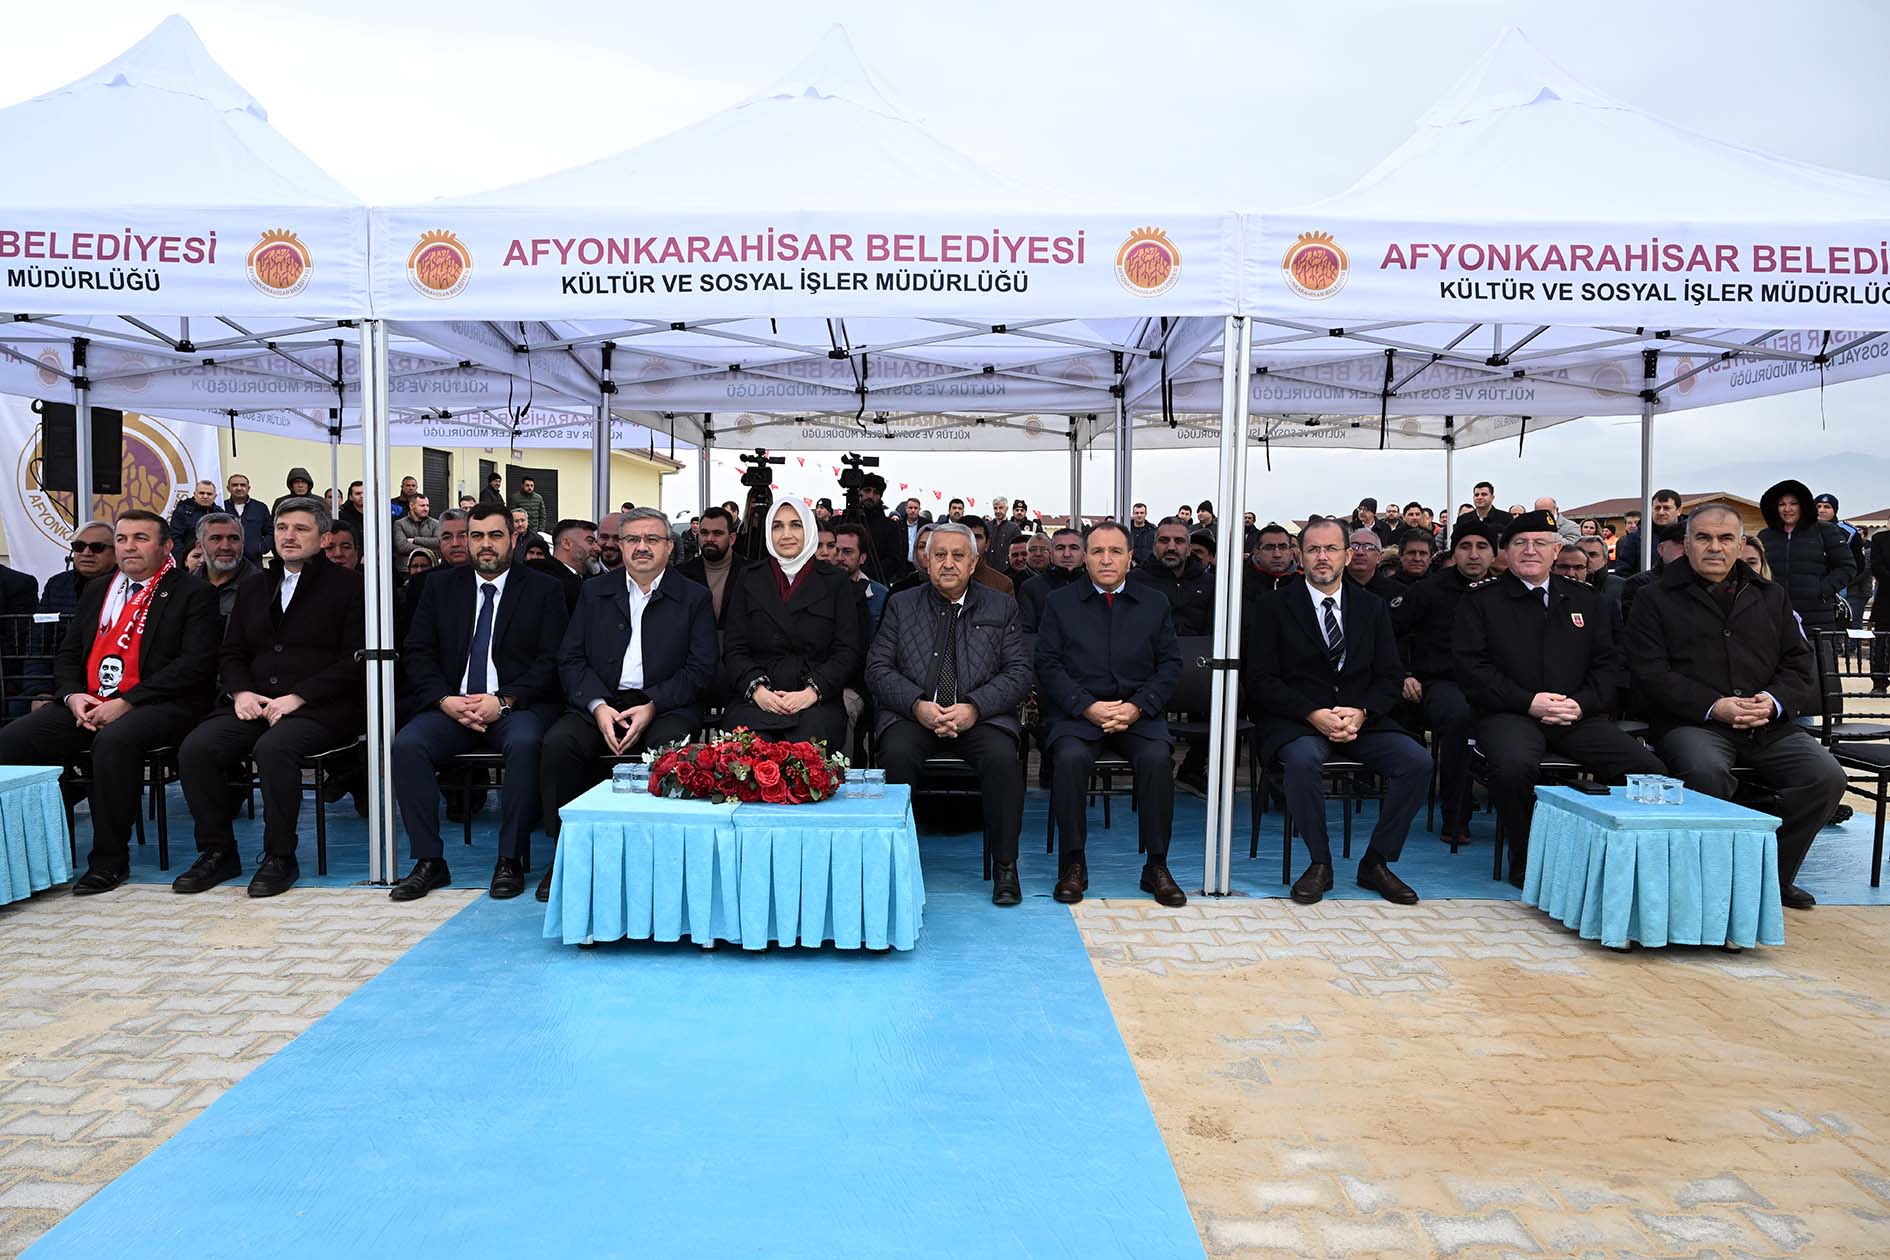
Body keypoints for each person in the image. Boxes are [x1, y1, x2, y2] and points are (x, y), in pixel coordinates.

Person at [1626, 503, 1845, 912]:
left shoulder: (1770, 596)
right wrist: (1714, 706)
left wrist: (1774, 702)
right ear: (1686, 544)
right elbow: (1649, 673)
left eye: (1726, 538)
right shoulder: (1653, 598)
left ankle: (1769, 877)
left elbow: (1798, 663)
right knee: (1705, 772)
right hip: (1693, 724)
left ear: (1740, 543)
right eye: (1704, 538)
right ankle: (1708, 884)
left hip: (1767, 724)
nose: (1715, 547)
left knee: (1825, 776)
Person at [0, 510, 219, 895]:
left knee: (113, 742)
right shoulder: (99, 589)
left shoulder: (192, 592)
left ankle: (108, 861)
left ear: (165, 546)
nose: (128, 546)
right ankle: (28, 858)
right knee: (12, 741)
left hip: (161, 703)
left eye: (140, 538)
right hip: (89, 701)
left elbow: (194, 664)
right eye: (121, 539)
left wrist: (127, 702)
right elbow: (68, 654)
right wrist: (71, 696)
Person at [1454, 510, 1665, 886]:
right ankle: (1528, 857)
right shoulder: (1481, 601)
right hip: (1511, 714)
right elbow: (1473, 670)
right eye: (1520, 543)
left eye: (1540, 543)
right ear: (1506, 552)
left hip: (1576, 715)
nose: (1529, 550)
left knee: (1647, 772)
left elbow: (1609, 665)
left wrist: (1581, 704)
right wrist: (1528, 702)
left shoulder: (1590, 601)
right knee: (1513, 768)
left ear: (1556, 552)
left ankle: (1613, 858)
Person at [175, 498, 365, 898]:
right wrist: (241, 692)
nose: (289, 536)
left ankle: (280, 856)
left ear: (325, 537)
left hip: (322, 709)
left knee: (275, 749)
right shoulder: (255, 585)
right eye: (282, 528)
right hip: (254, 702)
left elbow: (355, 658)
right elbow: (232, 651)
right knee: (198, 748)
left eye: (301, 529)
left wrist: (299, 697)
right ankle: (217, 851)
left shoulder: (353, 587)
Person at [390, 504, 569, 902]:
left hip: (513, 707)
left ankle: (511, 859)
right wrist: (443, 700)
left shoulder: (543, 589)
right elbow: (418, 651)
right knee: (407, 744)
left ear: (514, 538)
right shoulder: (440, 587)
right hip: (451, 706)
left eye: (495, 535)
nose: (485, 545)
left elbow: (551, 660)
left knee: (525, 745)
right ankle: (429, 861)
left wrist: (503, 701)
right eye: (477, 536)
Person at [1251, 514, 1432, 906]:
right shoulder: (1271, 607)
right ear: (1300, 555)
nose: (1322, 557)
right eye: (1313, 549)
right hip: (1298, 721)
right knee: (1300, 762)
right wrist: (1312, 713)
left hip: (1361, 721)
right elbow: (1261, 679)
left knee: (1417, 762)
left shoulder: (1372, 607)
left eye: (1331, 549)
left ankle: (1377, 862)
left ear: (1348, 556)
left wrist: (1363, 711)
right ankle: (1320, 863)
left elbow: (1389, 675)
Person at [538, 508, 718, 899]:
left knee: (670, 753)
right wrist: (597, 706)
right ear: (619, 546)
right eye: (633, 539)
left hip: (666, 704)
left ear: (670, 548)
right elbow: (569, 659)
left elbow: (701, 668)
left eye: (652, 539)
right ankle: (567, 855)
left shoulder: (694, 598)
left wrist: (653, 703)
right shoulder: (593, 592)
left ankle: (657, 862)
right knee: (558, 745)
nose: (642, 547)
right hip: (601, 700)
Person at [867, 523, 1032, 905]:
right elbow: (877, 668)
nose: (948, 563)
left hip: (980, 716)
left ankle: (1005, 865)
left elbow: (1020, 672)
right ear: (925, 560)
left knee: (1003, 760)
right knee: (895, 756)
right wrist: (916, 705)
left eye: (959, 556)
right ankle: (894, 865)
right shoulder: (901, 603)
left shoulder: (1001, 605)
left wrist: (975, 706)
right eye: (939, 555)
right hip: (914, 716)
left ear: (974, 562)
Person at [1034, 521, 1186, 908]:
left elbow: (1170, 665)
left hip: (1139, 713)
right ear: (1085, 557)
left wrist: (1137, 707)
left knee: (1156, 759)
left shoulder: (1154, 603)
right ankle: (1073, 863)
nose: (1106, 559)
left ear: (1131, 558)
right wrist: (1086, 706)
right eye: (1097, 551)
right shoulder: (1061, 602)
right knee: (1067, 759)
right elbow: (1047, 664)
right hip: (1078, 714)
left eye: (1115, 551)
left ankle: (1156, 865)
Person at [718, 498, 862, 748]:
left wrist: (810, 693)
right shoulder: (749, 578)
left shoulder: (835, 582)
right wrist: (758, 691)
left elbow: (847, 650)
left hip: (816, 701)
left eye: (795, 525)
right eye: (777, 526)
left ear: (809, 530)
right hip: (756, 700)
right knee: (749, 757)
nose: (786, 534)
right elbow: (734, 648)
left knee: (808, 757)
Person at [1391, 518, 1498, 848]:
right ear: (1454, 552)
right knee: (1459, 718)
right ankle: (1456, 816)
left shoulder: (1505, 591)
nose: (1474, 555)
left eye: (1482, 547)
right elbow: (1390, 636)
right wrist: (1403, 674)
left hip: (1496, 684)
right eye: (1465, 547)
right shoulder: (1428, 590)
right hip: (1440, 683)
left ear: (1494, 554)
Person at [1132, 516, 1216, 795]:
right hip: (1151, 667)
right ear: (1154, 545)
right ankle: (1158, 766)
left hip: (1200, 666)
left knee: (1228, 696)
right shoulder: (1136, 581)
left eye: (1179, 541)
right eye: (1164, 540)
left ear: (1189, 546)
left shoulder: (1209, 582)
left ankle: (1192, 769)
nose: (1171, 546)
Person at [1759, 478, 1855, 646]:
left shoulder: (1825, 531)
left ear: (1803, 505)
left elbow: (1847, 567)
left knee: (1817, 670)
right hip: (1774, 617)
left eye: (1793, 503)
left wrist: (1821, 590)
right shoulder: (1765, 536)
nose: (1787, 509)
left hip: (1817, 619)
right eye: (1782, 504)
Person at [674, 506, 748, 623]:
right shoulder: (680, 575)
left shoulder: (751, 573)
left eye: (717, 533)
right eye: (704, 533)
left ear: (732, 539)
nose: (709, 539)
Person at [39, 521, 118, 615]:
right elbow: (41, 627)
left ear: (116, 553)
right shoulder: (56, 584)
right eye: (79, 546)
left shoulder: (130, 585)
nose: (86, 553)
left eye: (97, 547)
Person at [194, 512, 260, 620]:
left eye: (233, 538)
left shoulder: (263, 589)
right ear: (199, 546)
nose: (225, 547)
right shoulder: (185, 588)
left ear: (243, 543)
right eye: (215, 538)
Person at [1017, 527, 1085, 631]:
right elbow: (1026, 634)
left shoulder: (1097, 585)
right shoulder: (1031, 588)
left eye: (1074, 548)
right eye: (1060, 548)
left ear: (1084, 555)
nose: (1067, 554)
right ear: (1051, 555)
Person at [831, 522, 889, 639]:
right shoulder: (816, 590)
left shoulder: (881, 596)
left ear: (862, 558)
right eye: (836, 550)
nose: (840, 558)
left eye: (847, 552)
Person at [1621, 523, 1686, 623]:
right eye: (1683, 545)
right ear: (1661, 549)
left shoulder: (1706, 582)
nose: (1688, 551)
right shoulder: (1639, 585)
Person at [855, 472, 911, 584]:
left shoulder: (890, 526)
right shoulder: (845, 521)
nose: (870, 496)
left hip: (875, 582)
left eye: (875, 493)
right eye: (867, 490)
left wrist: (867, 574)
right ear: (859, 492)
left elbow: (893, 559)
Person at [531, 519, 595, 612]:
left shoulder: (588, 579)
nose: (597, 548)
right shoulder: (542, 580)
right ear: (566, 544)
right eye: (590, 541)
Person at [1613, 489, 1682, 577]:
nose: (1661, 512)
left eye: (1666, 508)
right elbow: (1622, 571)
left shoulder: (1690, 536)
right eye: (1657, 508)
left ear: (1679, 511)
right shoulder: (1636, 538)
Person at [222, 474, 271, 563]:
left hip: (253, 561)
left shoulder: (260, 508)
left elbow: (270, 532)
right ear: (228, 488)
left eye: (243, 485)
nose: (239, 488)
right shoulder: (221, 508)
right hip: (226, 559)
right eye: (235, 485)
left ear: (248, 488)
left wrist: (261, 548)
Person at [1346, 528, 1404, 600]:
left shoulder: (1396, 592)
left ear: (1379, 557)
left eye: (1368, 547)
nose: (1360, 552)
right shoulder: (1333, 588)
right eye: (1354, 546)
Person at [961, 516, 1014, 597]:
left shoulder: (1002, 585)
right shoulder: (938, 579)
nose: (972, 543)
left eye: (977, 537)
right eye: (965, 536)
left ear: (987, 544)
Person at [1452, 480, 1512, 546]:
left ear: (1492, 497)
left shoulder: (1506, 518)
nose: (1479, 497)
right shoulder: (1463, 520)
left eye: (1484, 494)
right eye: (1476, 495)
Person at [393, 494, 443, 566]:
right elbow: (402, 546)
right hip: (406, 569)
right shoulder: (400, 524)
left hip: (431, 567)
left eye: (427, 505)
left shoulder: (435, 523)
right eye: (422, 506)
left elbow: (438, 541)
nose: (426, 509)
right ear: (411, 506)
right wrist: (428, 551)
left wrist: (415, 540)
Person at [169, 480, 220, 550]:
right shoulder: (182, 511)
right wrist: (182, 559)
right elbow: (175, 538)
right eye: (201, 493)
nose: (205, 496)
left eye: (209, 494)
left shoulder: (220, 513)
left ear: (215, 496)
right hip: (189, 556)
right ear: (195, 494)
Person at [1872, 526, 1890, 695]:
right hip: (1886, 598)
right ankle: (1879, 682)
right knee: (1881, 644)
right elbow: (1876, 566)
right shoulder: (1880, 539)